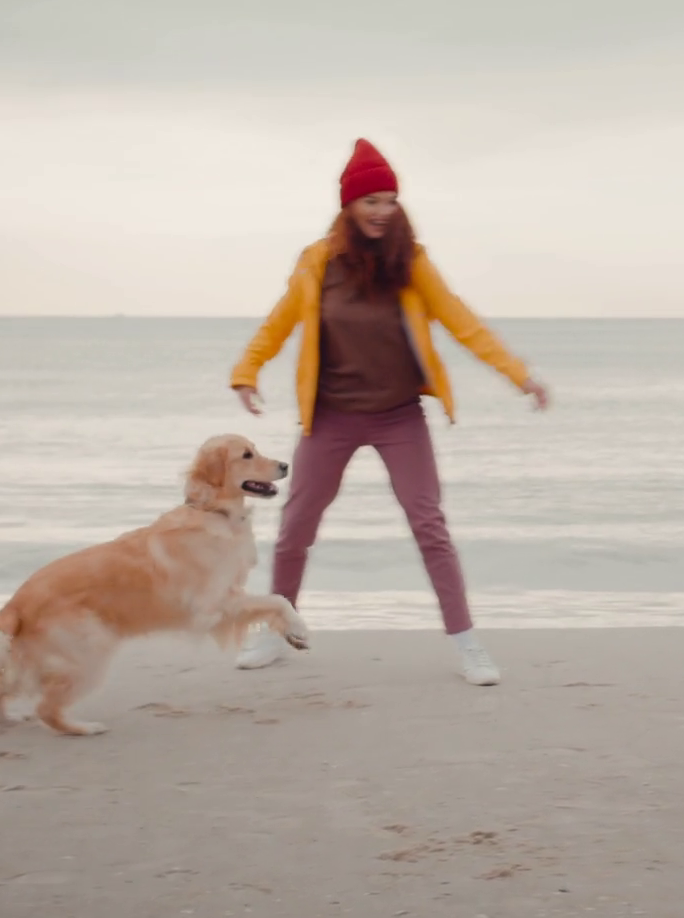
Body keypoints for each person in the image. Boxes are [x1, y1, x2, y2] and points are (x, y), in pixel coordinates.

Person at [228, 138, 549, 685]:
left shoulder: (411, 262)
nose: (382, 211)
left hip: (399, 415)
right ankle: (278, 630)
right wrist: (247, 370)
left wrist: (519, 375)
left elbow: (463, 323)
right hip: (330, 416)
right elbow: (280, 322)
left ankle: (467, 643)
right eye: (371, 201)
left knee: (429, 525)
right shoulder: (317, 262)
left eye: (390, 201)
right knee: (297, 525)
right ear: (349, 205)